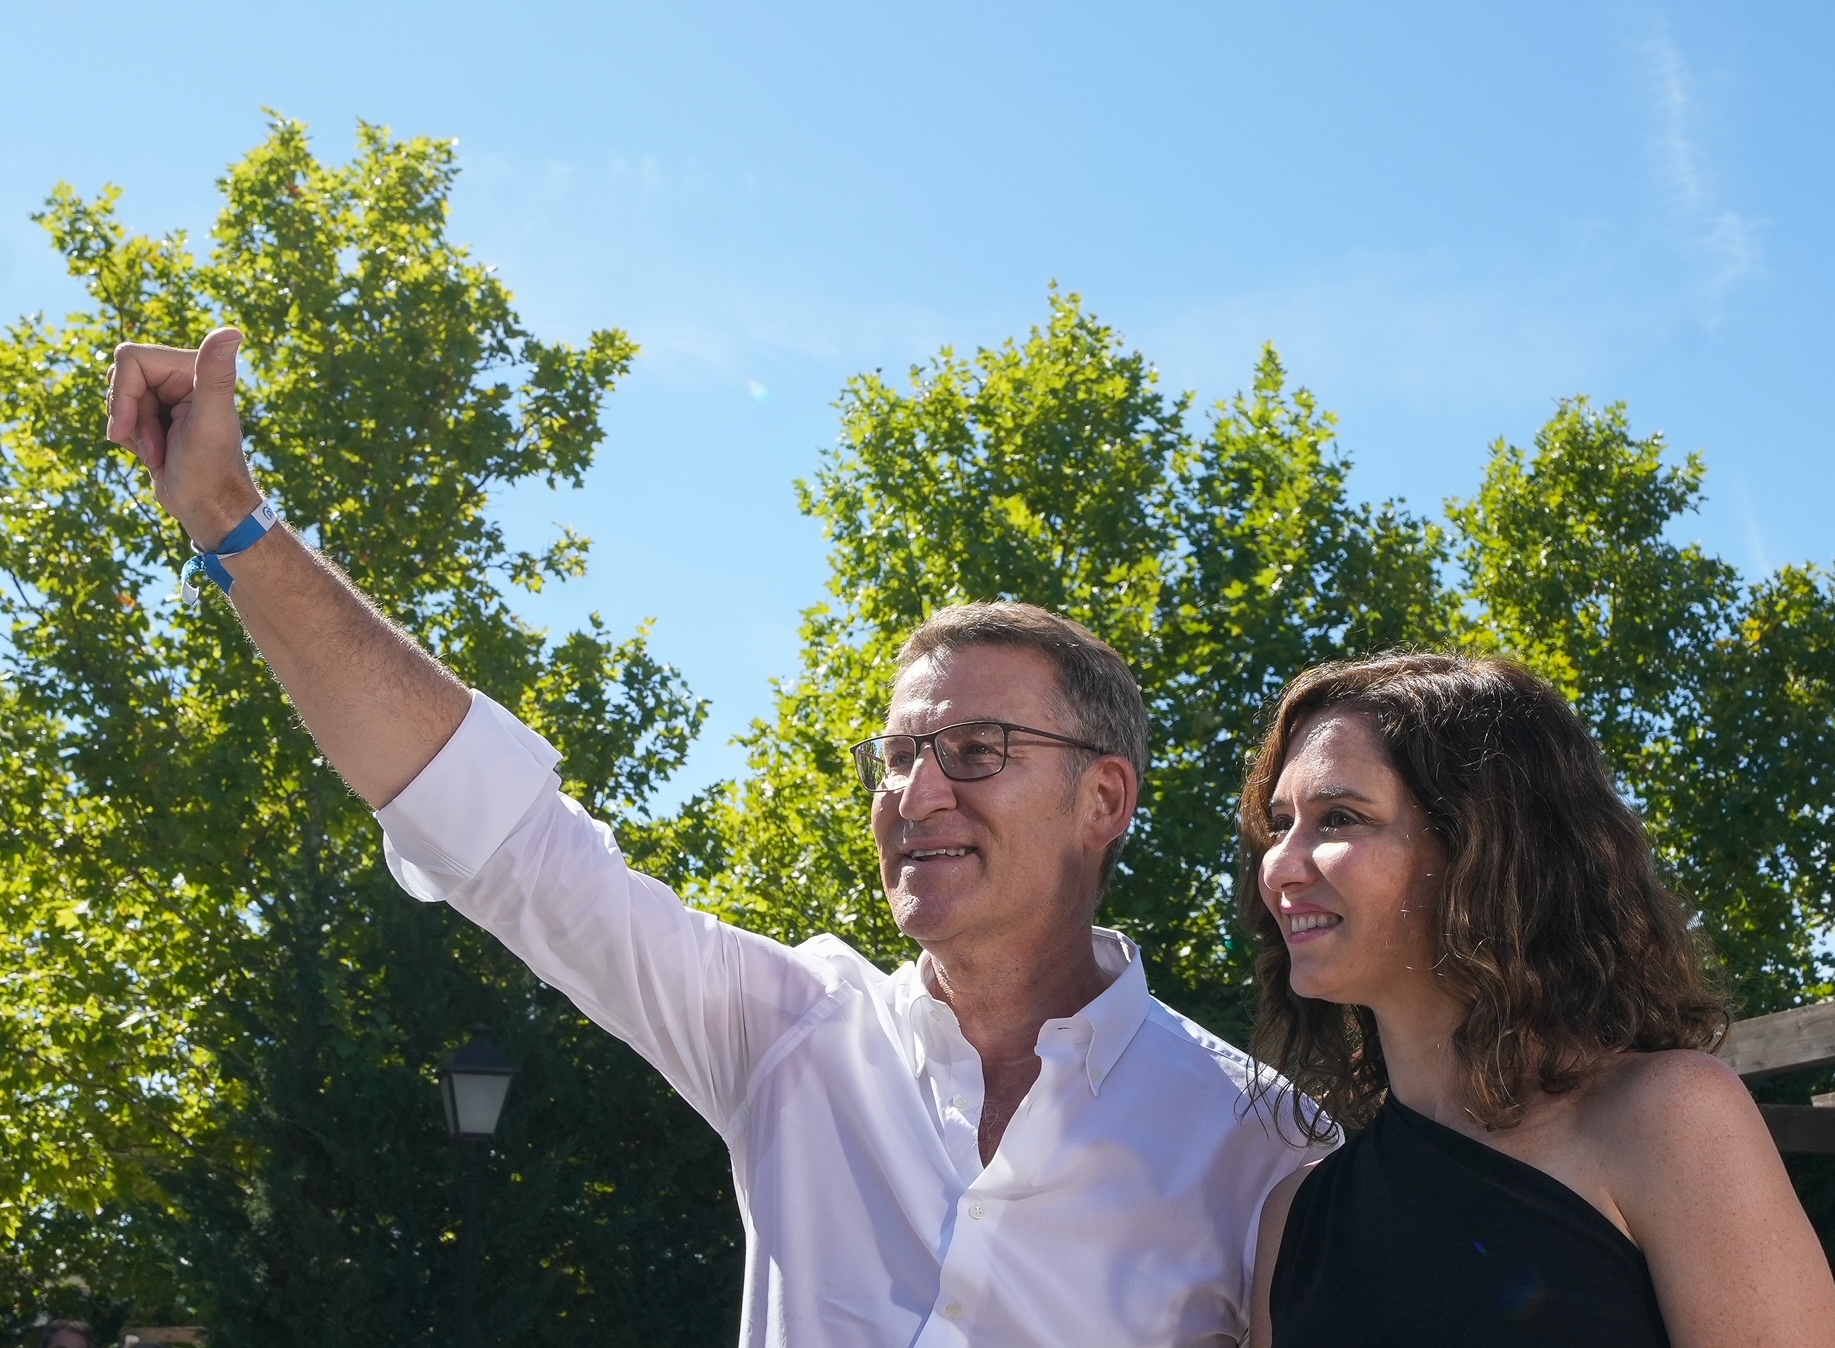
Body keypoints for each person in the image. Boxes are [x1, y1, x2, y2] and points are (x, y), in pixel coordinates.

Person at [105, 329, 1323, 1347]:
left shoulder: (1263, 1141)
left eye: (977, 751)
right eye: (896, 756)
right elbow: (501, 838)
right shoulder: (791, 1030)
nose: (918, 794)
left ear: (1105, 800)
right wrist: (229, 518)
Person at [1238, 652, 1835, 1347]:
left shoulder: (1669, 1118)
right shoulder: (1298, 1214)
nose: (1280, 864)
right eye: (1279, 823)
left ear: (1485, 847)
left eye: (1339, 819)